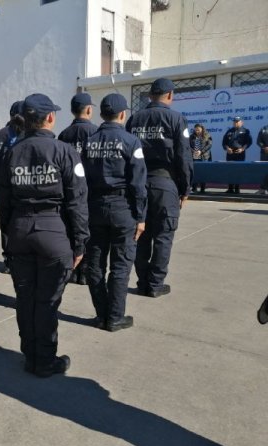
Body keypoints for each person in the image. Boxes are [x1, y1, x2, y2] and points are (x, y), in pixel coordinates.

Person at [0, 94, 89, 377]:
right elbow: (77, 201)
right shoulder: (64, 152)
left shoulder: (11, 152)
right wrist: (80, 242)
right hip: (52, 231)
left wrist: (9, 233)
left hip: (20, 230)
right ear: (49, 118)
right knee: (47, 301)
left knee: (25, 298)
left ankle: (30, 354)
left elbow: (3, 200)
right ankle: (45, 360)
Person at [81, 94, 147, 332]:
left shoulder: (90, 142)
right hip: (123, 210)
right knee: (120, 265)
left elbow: (82, 180)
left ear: (101, 115)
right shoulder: (131, 142)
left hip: (94, 209)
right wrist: (141, 216)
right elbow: (138, 183)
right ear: (122, 114)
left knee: (95, 265)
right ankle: (115, 317)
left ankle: (101, 315)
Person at [126, 78, 193, 298]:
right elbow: (183, 156)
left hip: (138, 183)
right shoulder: (175, 118)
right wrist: (185, 188)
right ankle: (155, 284)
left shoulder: (135, 119)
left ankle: (143, 281)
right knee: (163, 235)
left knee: (140, 234)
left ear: (150, 96)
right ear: (170, 95)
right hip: (165, 184)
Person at [58, 93, 99, 285]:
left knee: (70, 230)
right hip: (91, 191)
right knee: (88, 232)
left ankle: (72, 269)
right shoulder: (96, 133)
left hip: (67, 191)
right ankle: (85, 272)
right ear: (89, 109)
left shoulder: (64, 135)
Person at [0, 100, 25, 274]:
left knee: (5, 224)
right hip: (20, 187)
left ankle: (9, 260)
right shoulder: (26, 134)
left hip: (2, 189)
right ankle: (20, 258)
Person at [222, 116, 251, 194]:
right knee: (230, 171)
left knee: (238, 170)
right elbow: (224, 143)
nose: (236, 123)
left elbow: (248, 142)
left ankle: (237, 189)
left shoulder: (245, 131)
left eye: (237, 121)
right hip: (230, 154)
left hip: (240, 153)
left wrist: (242, 149)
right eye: (234, 121)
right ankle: (230, 188)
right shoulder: (229, 131)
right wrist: (227, 148)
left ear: (241, 122)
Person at [189, 123, 212, 193]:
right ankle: (194, 188)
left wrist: (201, 151)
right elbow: (188, 145)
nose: (197, 131)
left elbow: (209, 145)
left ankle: (203, 188)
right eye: (196, 130)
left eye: (198, 130)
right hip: (194, 156)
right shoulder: (192, 136)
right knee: (194, 172)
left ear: (202, 129)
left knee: (203, 172)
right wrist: (193, 151)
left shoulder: (207, 135)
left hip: (204, 156)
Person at [254, 124, 268, 195]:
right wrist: (264, 147)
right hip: (265, 154)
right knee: (264, 171)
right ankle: (263, 189)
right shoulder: (263, 128)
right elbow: (258, 141)